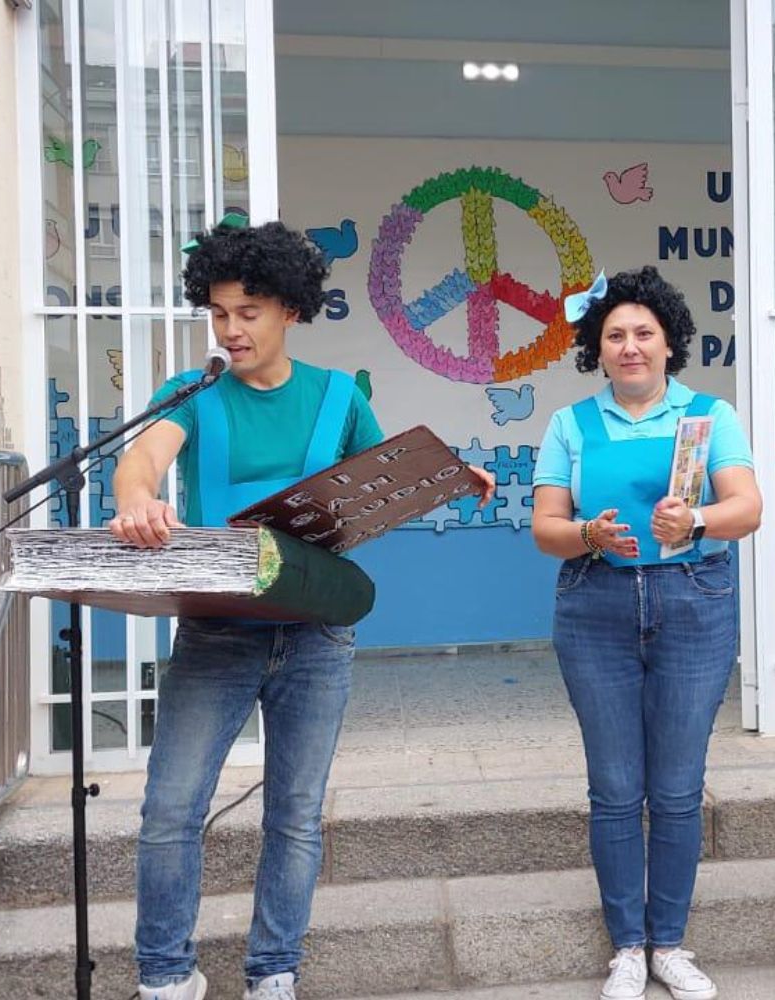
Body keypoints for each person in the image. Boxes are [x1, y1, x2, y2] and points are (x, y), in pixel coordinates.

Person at [110, 218, 493, 1000]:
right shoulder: (192, 394)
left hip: (316, 636)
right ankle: (165, 976)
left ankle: (273, 972)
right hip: (216, 631)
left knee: (295, 816)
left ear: (290, 309)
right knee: (170, 809)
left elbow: (381, 488)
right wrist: (135, 501)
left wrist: (447, 476)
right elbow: (140, 459)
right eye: (218, 313)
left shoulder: (339, 397)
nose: (231, 329)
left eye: (248, 312)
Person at [532, 266, 761, 1000]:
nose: (630, 347)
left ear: (670, 344)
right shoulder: (570, 425)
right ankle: (627, 946)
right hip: (594, 607)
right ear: (596, 350)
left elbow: (748, 508)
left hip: (694, 602)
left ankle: (670, 942)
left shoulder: (709, 417)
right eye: (615, 336)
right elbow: (545, 529)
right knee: (614, 787)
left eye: (644, 334)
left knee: (678, 786)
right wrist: (588, 534)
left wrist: (694, 520)